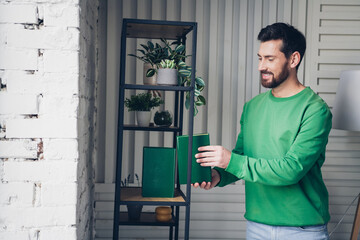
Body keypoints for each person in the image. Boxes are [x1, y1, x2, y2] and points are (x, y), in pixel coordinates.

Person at [193, 22, 332, 240]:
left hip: (302, 231)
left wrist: (229, 160)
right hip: (256, 227)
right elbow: (242, 156)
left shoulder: (315, 110)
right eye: (260, 58)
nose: (261, 66)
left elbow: (291, 169)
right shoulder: (252, 107)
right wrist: (218, 175)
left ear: (293, 59)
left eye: (270, 59)